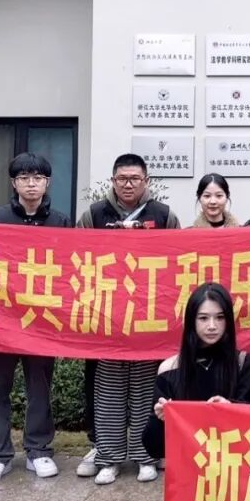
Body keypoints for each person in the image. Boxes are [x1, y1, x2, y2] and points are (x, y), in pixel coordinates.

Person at [0, 153, 72, 485]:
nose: (31, 184)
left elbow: (72, 266)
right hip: (1, 319)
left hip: (42, 319)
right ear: (13, 183)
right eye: (24, 178)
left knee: (39, 387)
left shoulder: (61, 222)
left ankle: (38, 450)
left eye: (38, 178)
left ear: (47, 182)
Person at [74, 153, 180, 482]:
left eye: (135, 179)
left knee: (147, 388)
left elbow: (179, 259)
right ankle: (108, 456)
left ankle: (146, 455)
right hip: (107, 316)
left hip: (149, 318)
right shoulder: (93, 214)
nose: (128, 184)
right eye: (122, 179)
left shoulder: (163, 215)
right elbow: (75, 255)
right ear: (113, 181)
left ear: (146, 181)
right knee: (108, 390)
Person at [142, 283, 250, 501]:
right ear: (191, 321)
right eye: (203, 318)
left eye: (219, 317)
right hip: (192, 473)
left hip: (234, 469)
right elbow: (153, 447)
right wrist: (161, 420)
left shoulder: (243, 363)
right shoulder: (170, 369)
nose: (212, 326)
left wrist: (233, 411)